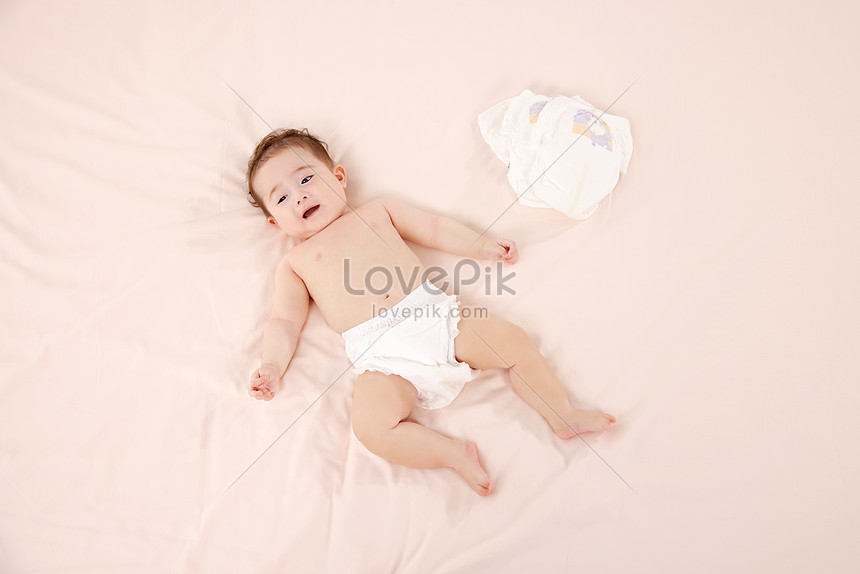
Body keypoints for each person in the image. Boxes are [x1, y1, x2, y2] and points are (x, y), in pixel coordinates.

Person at [246, 128, 615, 496]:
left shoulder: (378, 212)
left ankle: (560, 412)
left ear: (339, 177)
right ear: (276, 224)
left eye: (306, 178)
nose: (300, 196)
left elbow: (435, 229)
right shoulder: (294, 264)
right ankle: (452, 454)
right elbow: (284, 321)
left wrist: (481, 246)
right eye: (281, 198)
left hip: (435, 319)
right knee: (370, 427)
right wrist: (272, 366)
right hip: (383, 357)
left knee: (514, 342)